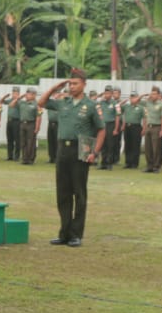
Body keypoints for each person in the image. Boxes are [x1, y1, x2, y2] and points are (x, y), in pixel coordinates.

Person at [39, 68, 106, 247]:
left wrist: (94, 152)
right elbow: (42, 102)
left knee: (79, 193)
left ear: (84, 84)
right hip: (62, 149)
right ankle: (64, 233)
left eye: (75, 83)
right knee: (63, 194)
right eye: (70, 83)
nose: (72, 86)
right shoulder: (64, 102)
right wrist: (56, 87)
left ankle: (76, 234)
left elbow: (101, 130)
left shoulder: (91, 105)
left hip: (81, 149)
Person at [139, 86, 162, 173]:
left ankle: (156, 166)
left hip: (157, 127)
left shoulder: (161, 104)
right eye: (152, 93)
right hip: (148, 127)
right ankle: (149, 166)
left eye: (154, 94)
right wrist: (144, 95)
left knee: (156, 148)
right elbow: (136, 101)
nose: (153, 95)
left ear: (158, 95)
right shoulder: (147, 103)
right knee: (148, 148)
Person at [18, 88, 41, 165]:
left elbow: (38, 116)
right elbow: (11, 105)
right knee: (23, 142)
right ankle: (24, 159)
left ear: (34, 95)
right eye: (27, 93)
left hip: (31, 124)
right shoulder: (22, 103)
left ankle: (31, 159)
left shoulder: (37, 104)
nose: (27, 95)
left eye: (30, 94)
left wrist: (37, 127)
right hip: (22, 124)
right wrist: (19, 97)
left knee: (31, 142)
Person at [0, 87, 22, 161]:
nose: (14, 95)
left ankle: (17, 156)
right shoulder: (10, 100)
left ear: (19, 94)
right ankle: (10, 156)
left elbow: (12, 105)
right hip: (9, 121)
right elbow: (1, 101)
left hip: (16, 121)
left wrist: (17, 99)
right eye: (13, 93)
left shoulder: (20, 102)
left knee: (17, 140)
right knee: (10, 139)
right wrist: (5, 96)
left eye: (16, 93)